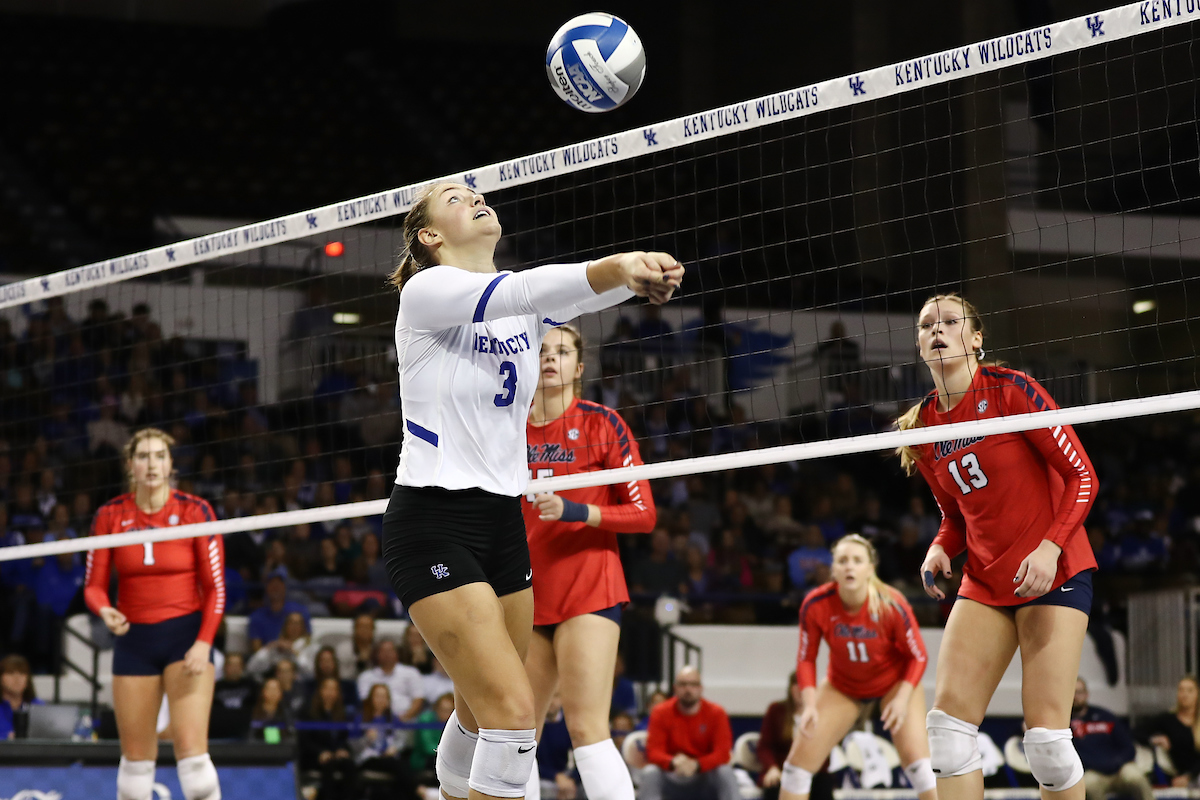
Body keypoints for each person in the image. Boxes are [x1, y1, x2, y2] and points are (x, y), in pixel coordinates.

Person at [380, 180, 682, 800]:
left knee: (477, 710)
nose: (475, 197)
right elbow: (526, 287)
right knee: (517, 715)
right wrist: (619, 264)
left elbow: (564, 295)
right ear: (430, 235)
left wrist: (633, 280)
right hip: (434, 520)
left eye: (475, 192)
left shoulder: (522, 310)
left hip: (501, 523)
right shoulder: (427, 291)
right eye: (455, 199)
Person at [896, 294, 1098, 800]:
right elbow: (954, 513)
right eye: (926, 325)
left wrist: (1051, 547)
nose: (936, 330)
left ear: (976, 338)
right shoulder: (921, 427)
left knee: (1047, 745)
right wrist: (941, 547)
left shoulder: (1013, 392)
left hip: (1054, 571)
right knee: (945, 735)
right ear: (919, 346)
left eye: (949, 321)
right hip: (986, 579)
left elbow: (1082, 477)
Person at [522, 323, 657, 800]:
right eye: (541, 350)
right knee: (518, 737)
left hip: (588, 590)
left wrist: (575, 510)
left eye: (561, 352)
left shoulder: (604, 423)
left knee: (586, 730)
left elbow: (644, 515)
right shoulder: (505, 427)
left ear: (579, 368)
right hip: (526, 595)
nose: (550, 358)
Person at [83, 428, 225, 800]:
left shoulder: (196, 511)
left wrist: (204, 642)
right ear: (130, 465)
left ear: (170, 464)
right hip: (134, 641)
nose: (152, 464)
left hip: (185, 639)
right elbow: (93, 586)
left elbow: (216, 589)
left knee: (195, 767)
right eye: (143, 456)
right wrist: (105, 610)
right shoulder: (110, 515)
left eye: (160, 456)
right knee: (135, 767)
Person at [781, 534, 934, 800]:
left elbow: (918, 656)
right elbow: (806, 658)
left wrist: (902, 699)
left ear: (870, 569)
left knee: (920, 766)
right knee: (796, 768)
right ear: (833, 570)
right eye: (842, 561)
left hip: (893, 682)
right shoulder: (815, 604)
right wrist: (809, 704)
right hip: (843, 686)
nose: (849, 566)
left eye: (856, 560)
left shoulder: (891, 603)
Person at [640, 666, 740, 800]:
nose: (688, 689)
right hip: (673, 773)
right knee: (650, 772)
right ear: (675, 688)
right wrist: (673, 762)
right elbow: (653, 751)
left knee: (725, 772)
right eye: (683, 684)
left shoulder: (716, 713)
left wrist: (697, 764)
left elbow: (722, 753)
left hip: (704, 776)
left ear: (700, 688)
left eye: (693, 684)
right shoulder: (660, 712)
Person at [1070, 678, 1152, 800]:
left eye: (1079, 692)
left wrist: (1117, 762)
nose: (1076, 697)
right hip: (1092, 771)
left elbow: (1128, 747)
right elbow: (1070, 755)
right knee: (1089, 785)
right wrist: (1099, 765)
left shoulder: (1105, 716)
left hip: (1119, 769)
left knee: (1136, 777)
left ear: (1086, 694)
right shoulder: (1065, 723)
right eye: (1073, 692)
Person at [757, 673, 831, 800]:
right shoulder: (776, 710)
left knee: (823, 783)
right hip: (781, 770)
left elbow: (825, 751)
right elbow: (765, 746)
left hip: (811, 771)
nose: (800, 691)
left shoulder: (820, 714)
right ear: (791, 689)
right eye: (796, 686)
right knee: (773, 784)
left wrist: (808, 771)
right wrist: (772, 768)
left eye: (804, 687)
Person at [351, 683, 420, 799]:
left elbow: (404, 741)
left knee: (402, 765)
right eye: (377, 696)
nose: (380, 700)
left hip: (389, 758)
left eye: (384, 697)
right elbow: (353, 747)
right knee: (397, 766)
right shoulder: (361, 718)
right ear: (371, 699)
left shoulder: (393, 719)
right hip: (368, 759)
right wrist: (367, 739)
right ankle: (418, 792)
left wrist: (395, 747)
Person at [1136, 675, 1200, 786]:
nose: (1184, 695)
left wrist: (1189, 776)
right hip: (1180, 776)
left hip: (1195, 775)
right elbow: (1135, 732)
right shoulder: (1168, 719)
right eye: (1181, 690)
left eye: (1190, 691)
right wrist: (1153, 739)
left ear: (1197, 694)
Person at [299, 677, 354, 800]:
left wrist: (342, 749)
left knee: (349, 764)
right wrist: (320, 752)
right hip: (314, 756)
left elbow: (344, 738)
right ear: (320, 691)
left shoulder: (341, 713)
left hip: (334, 755)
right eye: (327, 689)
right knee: (330, 764)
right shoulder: (308, 712)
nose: (330, 692)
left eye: (334, 689)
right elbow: (304, 740)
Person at [356, 639, 423, 724]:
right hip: (376, 721)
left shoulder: (411, 673)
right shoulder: (366, 676)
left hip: (406, 722)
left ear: (397, 653)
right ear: (377, 654)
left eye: (390, 650)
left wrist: (403, 719)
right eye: (383, 651)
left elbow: (418, 698)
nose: (387, 654)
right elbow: (366, 702)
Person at [247, 569, 310, 653]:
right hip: (269, 659)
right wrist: (274, 646)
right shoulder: (257, 617)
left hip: (295, 657)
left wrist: (292, 649)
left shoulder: (300, 611)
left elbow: (307, 641)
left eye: (279, 583)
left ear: (285, 586)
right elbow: (257, 651)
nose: (276, 587)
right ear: (266, 587)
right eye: (272, 583)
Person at [210, 652, 257, 740]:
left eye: (237, 665)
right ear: (224, 667)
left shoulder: (251, 686)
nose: (234, 668)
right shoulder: (216, 687)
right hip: (219, 730)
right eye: (231, 665)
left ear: (242, 667)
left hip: (246, 730)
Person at [0, 654, 42, 739]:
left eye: (22, 673)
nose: (17, 678)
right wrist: (6, 738)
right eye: (10, 673)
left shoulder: (39, 706)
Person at [336, 613, 378, 680]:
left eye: (368, 627)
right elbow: (343, 675)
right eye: (361, 627)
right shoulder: (344, 649)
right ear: (354, 629)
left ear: (373, 630)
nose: (365, 630)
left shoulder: (379, 649)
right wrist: (359, 663)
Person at [251, 676, 293, 741]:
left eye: (276, 689)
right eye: (270, 689)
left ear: (281, 693)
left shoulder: (287, 713)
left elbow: (290, 734)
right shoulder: (254, 712)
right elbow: (251, 735)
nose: (273, 692)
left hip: (281, 748)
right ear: (263, 691)